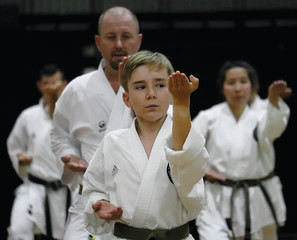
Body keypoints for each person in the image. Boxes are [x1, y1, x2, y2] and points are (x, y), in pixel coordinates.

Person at [82, 50, 209, 240]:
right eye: (140, 87)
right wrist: (99, 203)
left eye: (160, 85)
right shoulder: (112, 142)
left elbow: (189, 171)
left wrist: (182, 105)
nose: (151, 94)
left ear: (173, 93)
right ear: (127, 99)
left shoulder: (185, 138)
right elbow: (93, 187)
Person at [50, 6, 143, 240]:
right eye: (111, 37)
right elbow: (60, 134)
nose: (119, 44)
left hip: (140, 203)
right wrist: (70, 155)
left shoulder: (154, 87)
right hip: (89, 200)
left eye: (126, 36)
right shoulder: (77, 90)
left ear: (139, 40)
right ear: (98, 42)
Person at [193, 60, 292, 240]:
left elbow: (273, 129)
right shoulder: (208, 117)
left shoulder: (262, 115)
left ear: (253, 87)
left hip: (257, 196)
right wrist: (203, 170)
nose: (237, 88)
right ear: (222, 88)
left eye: (243, 82)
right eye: (231, 83)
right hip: (217, 197)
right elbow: (186, 148)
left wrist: (273, 102)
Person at [7, 64, 69, 240]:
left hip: (67, 190)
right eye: (46, 83)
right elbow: (14, 145)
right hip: (36, 188)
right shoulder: (28, 116)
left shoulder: (74, 115)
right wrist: (20, 159)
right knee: (19, 231)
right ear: (39, 86)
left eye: (54, 83)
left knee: (83, 235)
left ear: (64, 84)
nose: (50, 87)